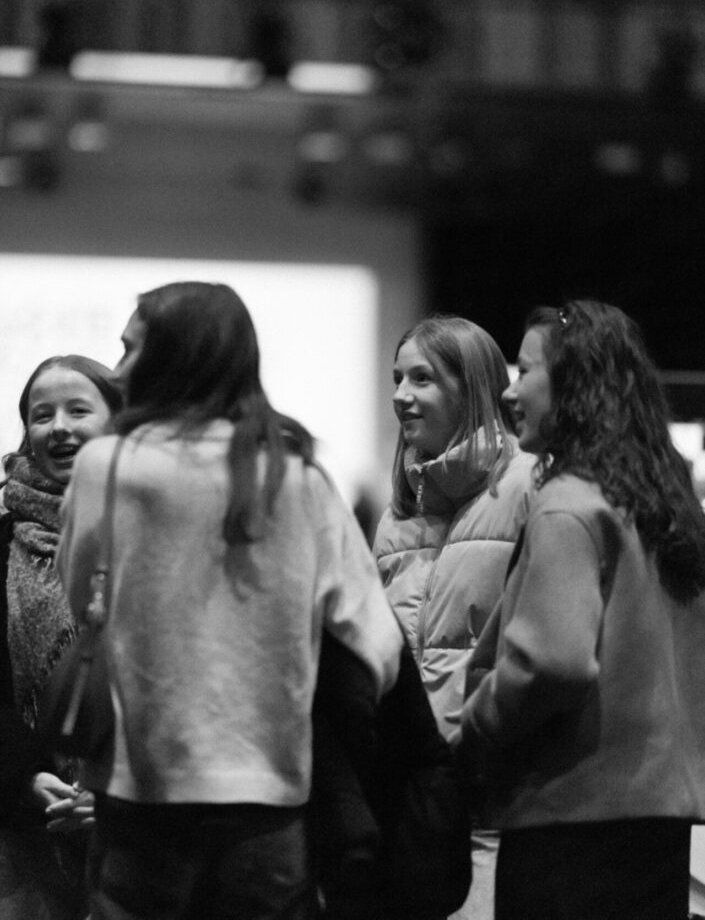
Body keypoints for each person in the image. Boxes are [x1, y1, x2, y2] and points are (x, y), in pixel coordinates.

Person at [56, 280, 403, 920]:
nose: (119, 369)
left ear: (177, 357)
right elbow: (377, 643)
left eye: (133, 349)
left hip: (141, 797)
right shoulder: (296, 476)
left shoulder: (110, 466)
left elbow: (81, 600)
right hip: (268, 801)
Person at [458, 299, 705, 920]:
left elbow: (555, 663)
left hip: (569, 824)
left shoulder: (568, 503)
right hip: (661, 828)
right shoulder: (665, 508)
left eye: (525, 371)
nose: (510, 392)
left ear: (574, 384)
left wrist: (477, 719)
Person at [373, 315, 535, 920]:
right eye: (397, 378)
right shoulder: (396, 516)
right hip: (412, 802)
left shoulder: (528, 487)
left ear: (473, 389)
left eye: (422, 378)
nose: (400, 395)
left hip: (495, 805)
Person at [0, 354, 121, 920]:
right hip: (24, 836)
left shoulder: (155, 530)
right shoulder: (2, 541)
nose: (59, 428)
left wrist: (115, 788)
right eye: (42, 414)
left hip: (143, 823)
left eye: (78, 410)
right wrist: (26, 776)